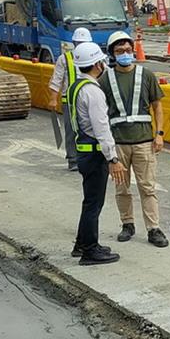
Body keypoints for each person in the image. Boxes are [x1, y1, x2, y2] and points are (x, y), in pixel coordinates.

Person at [99, 30, 167, 248]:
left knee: (147, 187)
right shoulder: (105, 80)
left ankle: (153, 228)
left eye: (128, 50)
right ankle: (127, 224)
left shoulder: (146, 75)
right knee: (122, 188)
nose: (125, 54)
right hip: (118, 144)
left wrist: (159, 135)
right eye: (120, 51)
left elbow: (157, 106)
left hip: (144, 142)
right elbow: (100, 113)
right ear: (112, 54)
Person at [68, 42, 128, 266]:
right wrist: (113, 158)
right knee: (94, 204)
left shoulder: (76, 86)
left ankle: (82, 243)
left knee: (89, 202)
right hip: (94, 155)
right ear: (96, 64)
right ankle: (89, 250)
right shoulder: (92, 91)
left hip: (84, 152)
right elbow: (101, 128)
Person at [49, 27, 93, 171]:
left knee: (92, 129)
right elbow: (56, 80)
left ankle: (90, 158)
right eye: (79, 43)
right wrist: (53, 99)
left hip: (90, 99)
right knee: (72, 130)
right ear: (74, 43)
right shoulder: (65, 59)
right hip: (70, 101)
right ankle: (73, 160)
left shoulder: (95, 57)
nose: (81, 46)